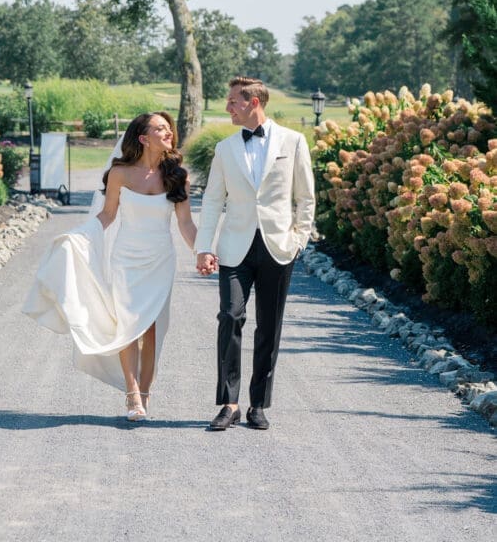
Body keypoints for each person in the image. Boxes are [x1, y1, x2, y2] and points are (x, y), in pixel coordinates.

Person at [23, 111, 197, 420]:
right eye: (160, 128)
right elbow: (108, 214)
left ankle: (145, 393)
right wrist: (81, 235)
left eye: (168, 128)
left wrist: (203, 251)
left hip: (160, 259)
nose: (168, 132)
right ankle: (132, 396)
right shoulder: (120, 174)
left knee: (151, 328)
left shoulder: (177, 175)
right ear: (143, 138)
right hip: (127, 258)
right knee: (129, 324)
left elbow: (185, 223)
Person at [195, 77, 315, 431]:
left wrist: (299, 240)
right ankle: (229, 404)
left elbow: (305, 197)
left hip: (278, 247)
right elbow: (214, 200)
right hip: (234, 248)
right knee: (230, 317)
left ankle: (258, 404)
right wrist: (204, 247)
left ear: (254, 103)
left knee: (269, 327)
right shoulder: (224, 148)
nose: (228, 107)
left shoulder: (293, 142)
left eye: (233, 101)